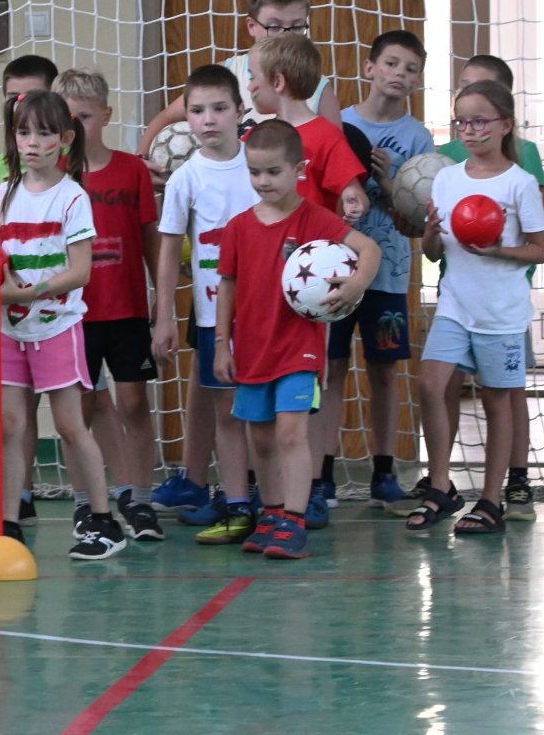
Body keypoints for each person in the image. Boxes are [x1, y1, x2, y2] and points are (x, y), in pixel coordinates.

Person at [0, 90, 126, 560]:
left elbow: (80, 271)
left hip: (57, 327)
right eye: (23, 133)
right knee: (12, 424)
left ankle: (103, 521)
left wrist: (25, 293)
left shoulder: (72, 197)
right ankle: (9, 523)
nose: (32, 143)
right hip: (11, 330)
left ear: (65, 139)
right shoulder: (4, 194)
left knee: (70, 425)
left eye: (43, 133)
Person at [214, 120, 379, 559]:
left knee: (290, 432)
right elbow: (227, 286)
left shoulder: (316, 220)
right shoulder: (237, 228)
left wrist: (356, 284)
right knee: (262, 438)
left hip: (299, 350)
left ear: (299, 169)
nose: (263, 181)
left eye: (273, 172)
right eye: (254, 172)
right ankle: (270, 513)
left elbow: (369, 249)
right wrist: (220, 344)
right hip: (252, 350)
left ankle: (295, 519)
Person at [406, 80, 544, 535]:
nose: (469, 130)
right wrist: (429, 233)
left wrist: (497, 250)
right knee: (431, 383)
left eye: (480, 120)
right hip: (455, 305)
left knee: (496, 402)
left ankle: (491, 499)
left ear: (505, 124)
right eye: (461, 121)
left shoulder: (520, 184)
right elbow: (433, 252)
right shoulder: (446, 179)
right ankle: (442, 487)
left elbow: (540, 250)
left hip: (500, 314)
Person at [248, 33, 369, 529]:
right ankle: (271, 497)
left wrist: (354, 202)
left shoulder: (323, 134)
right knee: (263, 398)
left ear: (277, 82)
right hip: (264, 291)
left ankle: (313, 487)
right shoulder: (256, 137)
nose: (249, 89)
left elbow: (352, 191)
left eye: (254, 80)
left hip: (315, 296)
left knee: (314, 388)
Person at [326, 31, 436, 512]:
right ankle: (320, 472)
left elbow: (415, 223)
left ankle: (385, 468)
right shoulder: (337, 123)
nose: (399, 74)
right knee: (330, 369)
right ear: (370, 68)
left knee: (385, 370)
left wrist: (390, 181)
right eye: (391, 63)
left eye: (410, 69)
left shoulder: (418, 139)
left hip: (388, 276)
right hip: (331, 270)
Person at [54, 68, 164, 543]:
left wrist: (162, 299)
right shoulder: (54, 177)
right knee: (76, 410)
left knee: (134, 403)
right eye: (68, 117)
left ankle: (140, 499)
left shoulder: (132, 170)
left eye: (85, 116)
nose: (76, 126)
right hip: (74, 314)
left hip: (127, 311)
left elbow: (150, 239)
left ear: (105, 116)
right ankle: (85, 504)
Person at [152, 65, 260, 544]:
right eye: (197, 110)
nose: (209, 119)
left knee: (267, 416)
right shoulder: (184, 180)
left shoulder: (260, 167)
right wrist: (164, 317)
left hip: (265, 318)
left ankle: (275, 505)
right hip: (215, 318)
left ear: (240, 111)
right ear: (186, 118)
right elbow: (169, 248)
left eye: (219, 108)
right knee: (226, 414)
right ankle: (237, 504)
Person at [138, 0, 342, 176]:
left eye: (297, 27)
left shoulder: (317, 87)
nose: (285, 37)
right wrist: (141, 161)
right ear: (252, 26)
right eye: (274, 27)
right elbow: (167, 117)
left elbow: (335, 159)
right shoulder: (226, 73)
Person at [0, 53, 57, 532]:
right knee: (16, 411)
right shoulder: (2, 170)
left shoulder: (69, 173)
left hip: (68, 310)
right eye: (11, 99)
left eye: (28, 97)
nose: (18, 107)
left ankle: (99, 506)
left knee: (80, 411)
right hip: (15, 312)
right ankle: (17, 499)